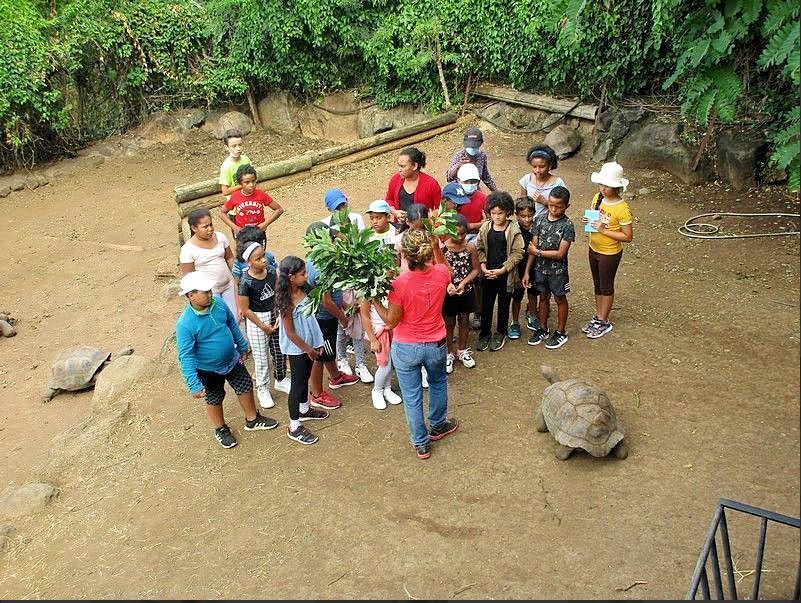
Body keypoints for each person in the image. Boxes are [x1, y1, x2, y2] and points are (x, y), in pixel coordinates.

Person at [370, 229, 459, 459]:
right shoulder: (441, 273)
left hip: (407, 347)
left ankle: (421, 443)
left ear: (404, 256)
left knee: (412, 395)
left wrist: (372, 300)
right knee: (438, 383)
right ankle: (438, 425)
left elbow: (391, 321)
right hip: (437, 343)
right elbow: (445, 268)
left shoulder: (398, 285)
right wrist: (438, 247)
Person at [175, 271, 278, 449]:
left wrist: (243, 345)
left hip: (232, 359)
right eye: (205, 292)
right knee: (214, 397)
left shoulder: (218, 304)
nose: (210, 294)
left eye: (209, 291)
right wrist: (193, 384)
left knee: (245, 384)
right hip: (208, 369)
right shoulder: (185, 324)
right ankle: (220, 428)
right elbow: (186, 355)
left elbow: (232, 324)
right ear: (191, 295)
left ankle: (252, 419)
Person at [275, 256, 330, 445]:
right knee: (297, 385)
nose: (306, 276)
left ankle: (305, 410)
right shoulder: (286, 302)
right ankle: (294, 426)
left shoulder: (304, 290)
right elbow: (290, 333)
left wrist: (317, 342)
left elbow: (311, 321)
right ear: (291, 278)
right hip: (297, 347)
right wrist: (308, 349)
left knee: (304, 377)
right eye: (302, 274)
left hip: (309, 344)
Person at [305, 222, 360, 410]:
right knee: (319, 355)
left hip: (327, 316)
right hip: (323, 318)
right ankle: (317, 394)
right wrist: (343, 317)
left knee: (327, 349)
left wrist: (344, 305)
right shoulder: (320, 267)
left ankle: (336, 376)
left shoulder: (318, 259)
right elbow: (326, 302)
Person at [580, 162, 634, 339]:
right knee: (597, 284)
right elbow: (594, 220)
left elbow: (627, 236)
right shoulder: (597, 198)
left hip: (609, 252)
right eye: (601, 184)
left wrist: (604, 230)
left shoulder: (622, 208)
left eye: (607, 186)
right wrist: (589, 222)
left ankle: (604, 320)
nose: (602, 188)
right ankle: (598, 316)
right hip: (593, 246)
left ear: (616, 187)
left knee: (606, 285)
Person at [522, 186, 575, 349]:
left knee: (560, 299)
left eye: (558, 206)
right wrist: (527, 271)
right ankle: (543, 328)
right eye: (551, 204)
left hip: (557, 272)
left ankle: (561, 332)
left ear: (567, 206)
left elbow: (560, 254)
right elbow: (533, 245)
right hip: (540, 270)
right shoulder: (540, 219)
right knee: (543, 298)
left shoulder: (567, 225)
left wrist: (537, 252)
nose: (553, 209)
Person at [237, 241, 287, 409]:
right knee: (261, 357)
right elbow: (245, 309)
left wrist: (279, 314)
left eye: (263, 256)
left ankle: (280, 379)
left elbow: (279, 293)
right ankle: (263, 387)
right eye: (258, 259)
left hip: (275, 313)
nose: (263, 260)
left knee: (280, 350)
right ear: (249, 262)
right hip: (257, 319)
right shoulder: (246, 282)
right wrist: (262, 326)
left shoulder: (272, 272)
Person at [475, 191, 524, 352]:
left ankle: (500, 332)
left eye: (500, 213)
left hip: (505, 276)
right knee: (486, 305)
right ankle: (484, 333)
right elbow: (480, 248)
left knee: (503, 305)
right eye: (493, 213)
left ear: (508, 212)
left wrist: (503, 269)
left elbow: (518, 252)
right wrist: (482, 266)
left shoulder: (513, 229)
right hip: (488, 273)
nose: (497, 216)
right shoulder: (485, 228)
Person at [179, 209, 238, 318]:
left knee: (235, 317)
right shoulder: (188, 250)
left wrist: (236, 278)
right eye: (205, 227)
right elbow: (189, 277)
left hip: (229, 285)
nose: (210, 229)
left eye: (211, 225)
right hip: (210, 293)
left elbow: (229, 258)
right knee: (218, 319)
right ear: (194, 228)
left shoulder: (220, 237)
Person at [442, 214, 479, 373]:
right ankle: (449, 353)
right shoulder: (443, 248)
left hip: (466, 290)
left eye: (463, 234)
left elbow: (476, 269)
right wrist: (449, 284)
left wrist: (464, 283)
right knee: (448, 323)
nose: (459, 237)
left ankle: (462, 350)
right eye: (455, 233)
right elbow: (440, 271)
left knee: (464, 320)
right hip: (448, 292)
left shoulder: (470, 248)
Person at [359, 297, 403, 410]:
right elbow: (365, 316)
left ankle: (387, 389)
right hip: (380, 332)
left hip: (392, 329)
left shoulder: (392, 284)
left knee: (391, 364)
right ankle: (377, 390)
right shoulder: (368, 291)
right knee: (384, 366)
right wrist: (373, 339)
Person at [218, 164, 284, 238]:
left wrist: (264, 224)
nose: (251, 185)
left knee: (259, 249)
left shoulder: (261, 194)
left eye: (253, 181)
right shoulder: (235, 196)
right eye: (247, 182)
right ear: (240, 183)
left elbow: (279, 209)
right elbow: (222, 213)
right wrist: (235, 227)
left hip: (259, 232)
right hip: (242, 234)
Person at [385, 147, 442, 222]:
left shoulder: (431, 184)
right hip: (400, 226)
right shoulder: (395, 179)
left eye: (403, 166)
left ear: (415, 166)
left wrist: (425, 219)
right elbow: (389, 199)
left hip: (423, 229)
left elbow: (440, 209)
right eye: (399, 165)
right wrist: (394, 212)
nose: (399, 169)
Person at [509, 196, 538, 340]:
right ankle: (514, 322)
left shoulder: (537, 228)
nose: (526, 219)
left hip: (534, 267)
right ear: (516, 215)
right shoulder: (513, 230)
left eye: (530, 215)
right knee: (517, 295)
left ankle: (532, 315)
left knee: (533, 293)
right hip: (517, 268)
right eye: (523, 216)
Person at [518, 144, 566, 218]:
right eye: (534, 166)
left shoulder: (557, 183)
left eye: (542, 167)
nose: (537, 170)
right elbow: (522, 204)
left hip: (549, 223)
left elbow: (562, 207)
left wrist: (545, 202)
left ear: (549, 166)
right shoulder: (526, 180)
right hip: (529, 223)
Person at [218, 129, 251, 235]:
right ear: (226, 147)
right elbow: (225, 191)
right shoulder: (226, 166)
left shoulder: (246, 160)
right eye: (234, 146)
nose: (238, 148)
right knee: (240, 238)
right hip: (235, 209)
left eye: (240, 145)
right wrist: (241, 186)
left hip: (249, 204)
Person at [445, 127, 498, 192]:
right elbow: (449, 178)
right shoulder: (459, 156)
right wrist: (458, 165)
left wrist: (496, 192)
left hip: (474, 189)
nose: (472, 148)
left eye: (475, 146)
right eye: (470, 146)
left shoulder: (482, 156)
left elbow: (486, 177)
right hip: (458, 191)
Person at [455, 163, 488, 239]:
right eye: (466, 182)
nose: (469, 184)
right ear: (459, 181)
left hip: (477, 235)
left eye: (473, 182)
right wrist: (475, 225)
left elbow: (488, 221)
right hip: (456, 235)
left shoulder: (483, 198)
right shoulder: (453, 198)